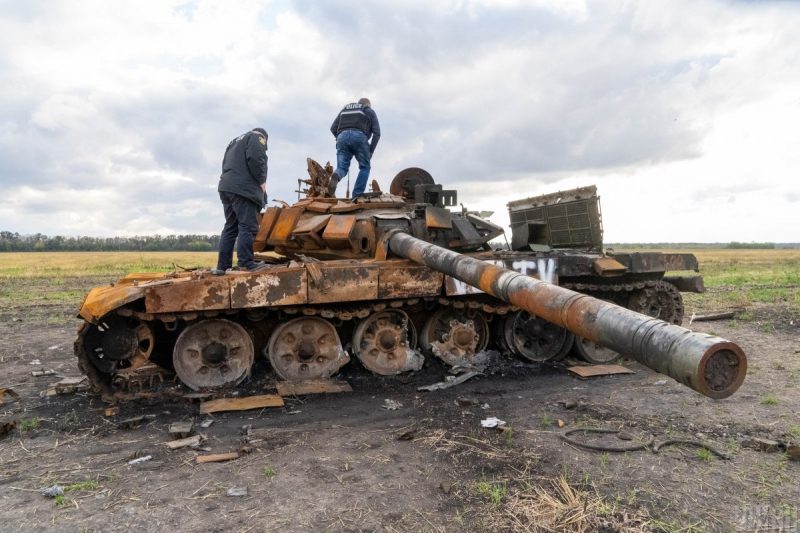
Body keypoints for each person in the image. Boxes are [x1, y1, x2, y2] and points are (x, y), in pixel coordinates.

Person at [212, 128, 269, 274]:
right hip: (243, 190)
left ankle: (223, 266)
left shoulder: (234, 142)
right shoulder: (257, 137)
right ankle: (246, 263)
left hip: (226, 187)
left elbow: (225, 165)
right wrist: (262, 181)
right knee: (248, 226)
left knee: (230, 227)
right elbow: (256, 159)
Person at [328, 97, 380, 198]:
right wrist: (371, 151)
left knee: (342, 167)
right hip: (359, 137)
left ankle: (336, 175)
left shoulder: (345, 108)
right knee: (365, 167)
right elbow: (377, 133)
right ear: (368, 105)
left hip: (342, 136)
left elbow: (332, 128)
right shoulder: (368, 110)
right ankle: (356, 195)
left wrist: (340, 138)